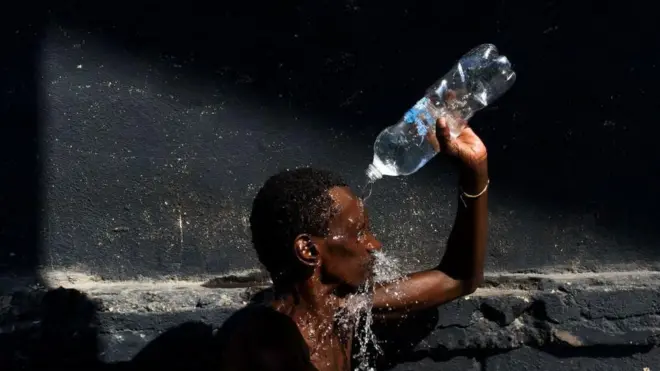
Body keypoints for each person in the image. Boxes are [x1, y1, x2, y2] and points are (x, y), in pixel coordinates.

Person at [216, 116, 489, 371]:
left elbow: (458, 277)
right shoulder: (266, 344)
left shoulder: (345, 309)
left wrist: (474, 168)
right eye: (359, 233)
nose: (374, 244)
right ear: (309, 251)